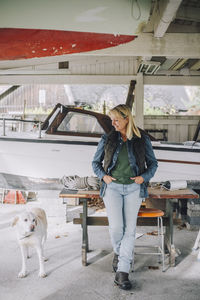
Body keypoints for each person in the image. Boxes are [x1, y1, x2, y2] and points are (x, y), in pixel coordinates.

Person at [92, 104, 158, 290]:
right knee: (116, 228)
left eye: (116, 119)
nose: (112, 123)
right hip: (112, 188)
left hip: (133, 190)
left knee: (130, 230)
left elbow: (153, 164)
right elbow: (95, 163)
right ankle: (121, 253)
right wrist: (103, 176)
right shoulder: (108, 138)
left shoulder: (141, 138)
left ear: (127, 118)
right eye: (111, 119)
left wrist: (143, 178)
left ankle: (122, 272)